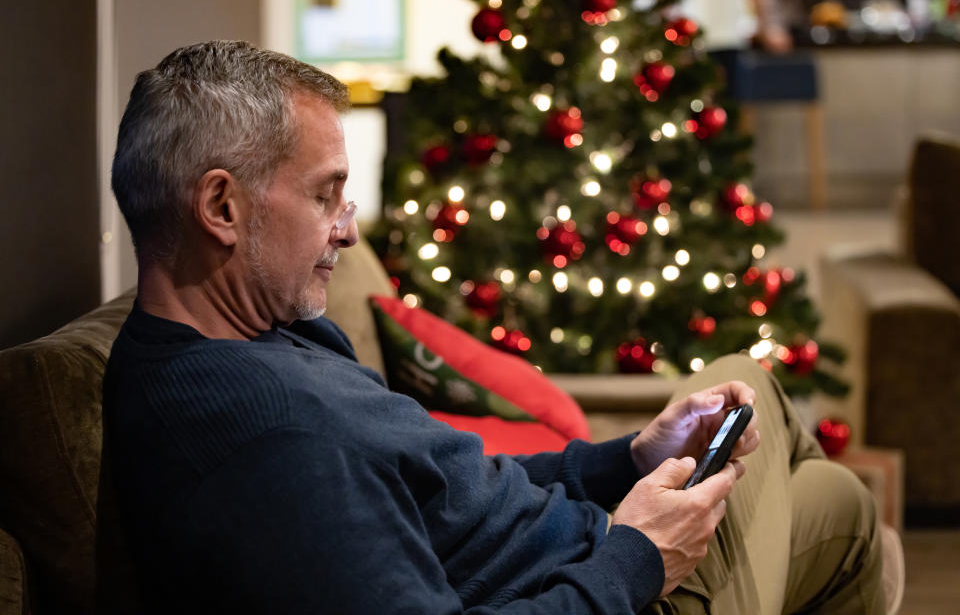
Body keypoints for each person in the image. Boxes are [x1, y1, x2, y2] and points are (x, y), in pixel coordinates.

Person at [101, 40, 885, 614]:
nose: (345, 230)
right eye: (324, 194)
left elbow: (449, 490)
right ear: (221, 209)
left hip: (593, 556)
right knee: (751, 380)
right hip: (619, 593)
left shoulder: (263, 335)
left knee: (841, 507)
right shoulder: (272, 445)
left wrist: (628, 460)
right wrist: (638, 556)